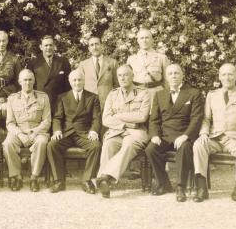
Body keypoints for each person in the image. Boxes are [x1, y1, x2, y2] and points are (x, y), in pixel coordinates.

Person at [192, 63, 236, 204]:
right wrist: (204, 133)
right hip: (215, 138)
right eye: (223, 74)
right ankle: (201, 187)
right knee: (198, 145)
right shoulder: (212, 96)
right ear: (219, 77)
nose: (227, 77)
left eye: (230, 74)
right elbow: (206, 119)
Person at [145, 64, 204, 202]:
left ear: (182, 75)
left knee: (184, 149)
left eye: (176, 73)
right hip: (165, 136)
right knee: (150, 149)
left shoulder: (193, 93)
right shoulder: (159, 95)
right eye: (170, 73)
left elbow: (196, 119)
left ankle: (180, 187)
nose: (173, 76)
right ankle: (163, 183)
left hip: (184, 135)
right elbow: (154, 119)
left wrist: (185, 136)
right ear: (166, 77)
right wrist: (154, 135)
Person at [96, 65, 151, 198]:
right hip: (117, 132)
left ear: (132, 76)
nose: (123, 78)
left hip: (136, 132)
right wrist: (127, 122)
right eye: (120, 75)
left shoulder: (144, 93)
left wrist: (119, 116)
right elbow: (106, 119)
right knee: (109, 145)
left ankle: (104, 177)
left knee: (128, 145)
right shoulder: (112, 94)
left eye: (126, 75)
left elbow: (142, 116)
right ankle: (105, 184)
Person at [47, 70, 101, 194]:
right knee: (52, 145)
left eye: (79, 80)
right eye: (74, 80)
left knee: (96, 146)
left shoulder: (93, 98)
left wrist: (93, 131)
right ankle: (59, 180)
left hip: (84, 133)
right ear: (70, 82)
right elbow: (57, 117)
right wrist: (57, 130)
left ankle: (87, 180)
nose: (77, 83)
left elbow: (96, 118)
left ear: (84, 81)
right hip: (66, 133)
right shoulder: (62, 97)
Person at [3, 69, 51, 192]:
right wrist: (20, 134)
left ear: (34, 81)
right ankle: (16, 177)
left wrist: (34, 133)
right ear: (19, 82)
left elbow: (47, 121)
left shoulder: (43, 97)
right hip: (18, 131)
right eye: (25, 80)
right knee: (8, 143)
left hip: (38, 131)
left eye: (30, 80)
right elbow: (10, 123)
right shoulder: (12, 99)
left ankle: (34, 177)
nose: (28, 82)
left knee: (41, 142)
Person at [27, 35, 71, 111]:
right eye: (46, 45)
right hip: (39, 103)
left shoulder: (63, 62)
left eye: (51, 45)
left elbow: (68, 85)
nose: (48, 48)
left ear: (54, 46)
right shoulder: (33, 63)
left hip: (59, 104)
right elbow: (29, 85)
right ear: (41, 47)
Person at [127, 28, 170, 100]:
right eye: (142, 38)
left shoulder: (161, 58)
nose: (144, 40)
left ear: (152, 40)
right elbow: (128, 81)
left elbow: (167, 81)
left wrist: (166, 98)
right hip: (137, 94)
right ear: (138, 41)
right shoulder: (131, 59)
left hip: (157, 94)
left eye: (147, 38)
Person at [76, 36, 118, 108]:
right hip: (89, 105)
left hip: (108, 104)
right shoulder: (83, 65)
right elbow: (79, 86)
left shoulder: (112, 63)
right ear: (89, 49)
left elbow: (117, 85)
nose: (95, 47)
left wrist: (114, 100)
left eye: (97, 44)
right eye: (92, 45)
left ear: (102, 46)